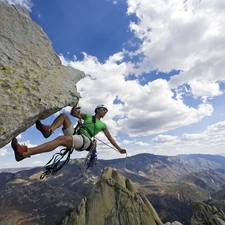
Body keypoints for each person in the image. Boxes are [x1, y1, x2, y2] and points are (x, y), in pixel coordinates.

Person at [11, 104, 127, 161]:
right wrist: (75, 105)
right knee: (64, 116)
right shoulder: (87, 116)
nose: (105, 111)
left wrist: (119, 149)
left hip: (85, 140)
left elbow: (110, 138)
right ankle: (49, 130)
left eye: (106, 110)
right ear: (97, 110)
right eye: (103, 109)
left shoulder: (103, 125)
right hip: (76, 134)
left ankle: (25, 153)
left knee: (60, 139)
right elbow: (73, 114)